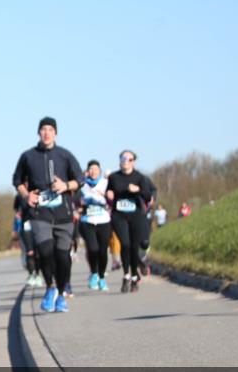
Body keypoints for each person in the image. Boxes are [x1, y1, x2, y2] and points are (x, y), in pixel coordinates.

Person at [13, 117, 83, 313]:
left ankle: (61, 294)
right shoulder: (28, 156)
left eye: (50, 129)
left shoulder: (65, 155)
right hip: (39, 212)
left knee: (62, 256)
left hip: (63, 214)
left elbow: (80, 179)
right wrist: (26, 195)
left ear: (56, 133)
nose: (46, 133)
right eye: (43, 129)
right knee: (45, 252)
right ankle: (50, 288)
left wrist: (66, 185)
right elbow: (16, 180)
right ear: (38, 133)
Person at [106, 150, 155, 294]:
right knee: (125, 244)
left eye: (129, 159)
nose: (126, 161)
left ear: (134, 161)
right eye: (123, 158)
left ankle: (134, 276)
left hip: (136, 215)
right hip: (119, 215)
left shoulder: (140, 178)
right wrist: (109, 194)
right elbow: (109, 191)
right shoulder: (114, 177)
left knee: (134, 247)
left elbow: (147, 197)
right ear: (119, 160)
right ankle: (126, 275)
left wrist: (138, 190)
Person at [78, 160, 111, 291]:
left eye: (96, 169)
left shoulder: (106, 183)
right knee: (92, 249)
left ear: (100, 171)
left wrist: (105, 196)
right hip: (87, 220)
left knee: (102, 251)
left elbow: (113, 198)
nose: (93, 171)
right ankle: (94, 273)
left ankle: (102, 277)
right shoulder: (82, 184)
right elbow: (76, 199)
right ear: (87, 171)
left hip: (104, 220)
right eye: (91, 169)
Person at [14, 193, 41, 287]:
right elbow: (17, 212)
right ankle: (31, 275)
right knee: (29, 252)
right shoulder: (19, 196)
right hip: (26, 225)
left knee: (37, 253)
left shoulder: (39, 193)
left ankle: (37, 275)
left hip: (38, 224)